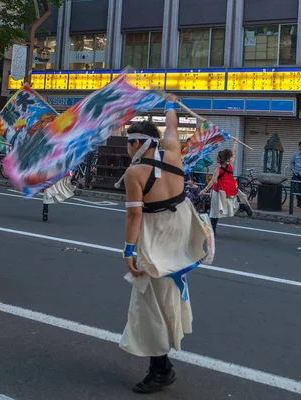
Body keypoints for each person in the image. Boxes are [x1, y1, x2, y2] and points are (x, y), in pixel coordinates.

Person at [120, 94, 211, 394]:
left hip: (155, 241)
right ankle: (161, 364)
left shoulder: (135, 172)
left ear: (137, 144)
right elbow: (172, 126)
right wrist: (170, 104)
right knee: (166, 298)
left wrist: (128, 250)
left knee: (148, 306)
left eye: (128, 142)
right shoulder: (174, 152)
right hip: (179, 238)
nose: (127, 148)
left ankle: (161, 369)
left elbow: (135, 215)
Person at [200, 142, 239, 236]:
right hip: (229, 191)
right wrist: (235, 143)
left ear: (218, 159)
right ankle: (243, 207)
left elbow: (213, 181)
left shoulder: (218, 169)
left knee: (214, 211)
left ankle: (213, 230)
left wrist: (204, 190)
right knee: (228, 206)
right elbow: (233, 155)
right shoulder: (230, 166)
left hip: (218, 191)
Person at [290, 141, 301, 208]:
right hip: (296, 174)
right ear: (298, 147)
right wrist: (294, 172)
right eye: (300, 146)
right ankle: (299, 203)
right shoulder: (295, 154)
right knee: (297, 189)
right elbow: (292, 163)